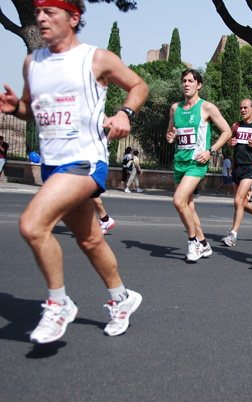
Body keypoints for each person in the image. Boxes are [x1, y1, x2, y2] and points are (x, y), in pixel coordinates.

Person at [0, 0, 148, 343]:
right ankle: (122, 298)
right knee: (89, 238)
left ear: (73, 17)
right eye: (38, 12)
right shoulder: (31, 62)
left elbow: (139, 86)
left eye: (50, 12)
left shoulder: (95, 58)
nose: (40, 18)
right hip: (53, 164)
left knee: (32, 224)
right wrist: (17, 108)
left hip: (85, 161)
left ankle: (58, 302)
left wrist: (126, 113)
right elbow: (30, 109)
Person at [166, 69, 232, 262]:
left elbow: (227, 131)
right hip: (180, 162)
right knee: (187, 206)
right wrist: (171, 137)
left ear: (199, 85)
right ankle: (204, 244)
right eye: (184, 81)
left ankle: (193, 242)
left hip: (197, 162)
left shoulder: (207, 108)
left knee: (178, 201)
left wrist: (211, 151)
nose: (186, 84)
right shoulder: (175, 108)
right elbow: (171, 133)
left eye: (190, 81)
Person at [221, 98, 252, 246]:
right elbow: (230, 142)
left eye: (245, 108)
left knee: (237, 199)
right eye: (241, 108)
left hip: (251, 167)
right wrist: (230, 143)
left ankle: (233, 235)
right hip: (237, 166)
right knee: (240, 202)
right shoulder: (236, 125)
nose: (242, 110)